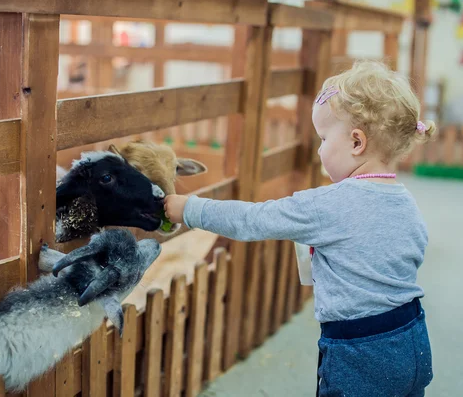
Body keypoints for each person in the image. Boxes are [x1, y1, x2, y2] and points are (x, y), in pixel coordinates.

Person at [164, 60, 435, 396]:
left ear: (356, 142)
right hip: (412, 339)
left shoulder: (328, 205)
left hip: (359, 353)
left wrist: (188, 208)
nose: (319, 149)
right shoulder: (405, 201)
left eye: (323, 138)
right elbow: (414, 251)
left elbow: (253, 220)